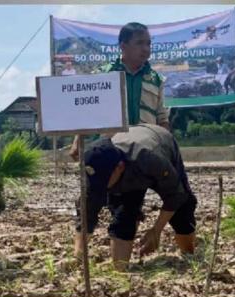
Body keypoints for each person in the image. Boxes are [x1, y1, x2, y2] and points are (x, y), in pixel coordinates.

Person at [71, 22, 171, 257]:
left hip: (141, 151)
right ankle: (79, 255)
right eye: (140, 43)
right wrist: (78, 140)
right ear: (123, 46)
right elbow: (88, 111)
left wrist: (166, 145)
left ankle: (120, 263)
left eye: (148, 43)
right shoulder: (104, 74)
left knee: (130, 203)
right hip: (109, 148)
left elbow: (162, 118)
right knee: (90, 199)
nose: (146, 49)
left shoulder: (156, 79)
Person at [82, 124, 197, 270]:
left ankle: (189, 256)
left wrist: (156, 230)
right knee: (123, 215)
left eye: (104, 181)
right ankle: (120, 269)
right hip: (129, 162)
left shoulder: (150, 159)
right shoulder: (94, 170)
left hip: (159, 142)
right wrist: (79, 256)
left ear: (119, 167)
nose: (101, 186)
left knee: (181, 211)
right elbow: (87, 213)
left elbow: (175, 194)